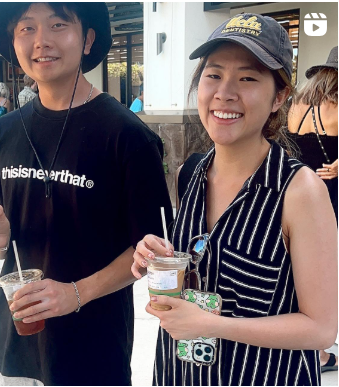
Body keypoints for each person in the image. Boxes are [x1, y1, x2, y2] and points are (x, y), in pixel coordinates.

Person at [0, 3, 172, 386]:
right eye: (27, 29)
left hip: (92, 349)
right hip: (14, 343)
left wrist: (76, 294)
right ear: (14, 40)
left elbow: (151, 249)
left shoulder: (128, 136)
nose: (42, 41)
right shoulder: (2, 133)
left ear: (87, 38)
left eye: (58, 24)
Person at [131, 14, 337, 386]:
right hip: (179, 373)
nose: (224, 92)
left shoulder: (299, 190)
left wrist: (213, 325)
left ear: (279, 97)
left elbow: (322, 329)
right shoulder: (190, 172)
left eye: (247, 78)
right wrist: (158, 256)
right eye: (213, 75)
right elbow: (197, 266)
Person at [288, 46, 338, 374]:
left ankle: (311, 347)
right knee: (326, 272)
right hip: (329, 197)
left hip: (294, 193)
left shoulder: (297, 104)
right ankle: (320, 348)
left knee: (299, 270)